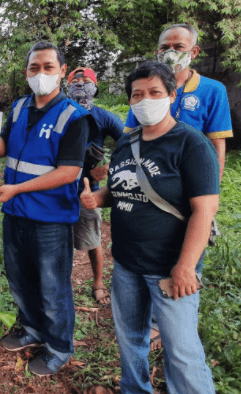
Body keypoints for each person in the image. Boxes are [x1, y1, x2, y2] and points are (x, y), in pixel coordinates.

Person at [80, 61, 218, 394]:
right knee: (130, 339)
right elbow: (124, 188)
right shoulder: (127, 143)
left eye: (154, 92)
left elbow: (205, 210)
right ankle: (134, 389)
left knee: (182, 354)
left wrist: (185, 267)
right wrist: (97, 199)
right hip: (127, 264)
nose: (145, 100)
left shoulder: (192, 145)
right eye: (137, 94)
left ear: (171, 95)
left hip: (170, 269)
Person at [124, 23, 232, 349]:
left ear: (194, 51)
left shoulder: (211, 91)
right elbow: (131, 138)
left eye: (179, 46)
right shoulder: (147, 89)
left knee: (185, 255)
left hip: (190, 194)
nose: (172, 52)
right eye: (165, 47)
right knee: (150, 253)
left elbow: (217, 149)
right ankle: (150, 319)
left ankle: (174, 326)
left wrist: (207, 201)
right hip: (150, 192)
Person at [0, 41, 96, 375]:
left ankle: (59, 347)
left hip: (50, 216)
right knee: (19, 277)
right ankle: (31, 328)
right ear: (26, 72)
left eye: (48, 67)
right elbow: (4, 146)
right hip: (15, 211)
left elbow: (68, 171)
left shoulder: (74, 117)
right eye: (34, 68)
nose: (41, 74)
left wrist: (17, 188)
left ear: (62, 71)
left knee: (53, 285)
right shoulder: (19, 107)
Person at [66, 67, 124, 306]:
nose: (80, 85)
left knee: (93, 239)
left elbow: (131, 142)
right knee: (58, 240)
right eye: (75, 81)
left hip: (88, 190)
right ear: (67, 87)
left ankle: (98, 283)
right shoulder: (62, 113)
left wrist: (108, 167)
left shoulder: (104, 117)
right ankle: (62, 281)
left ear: (95, 86)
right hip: (55, 188)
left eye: (85, 81)